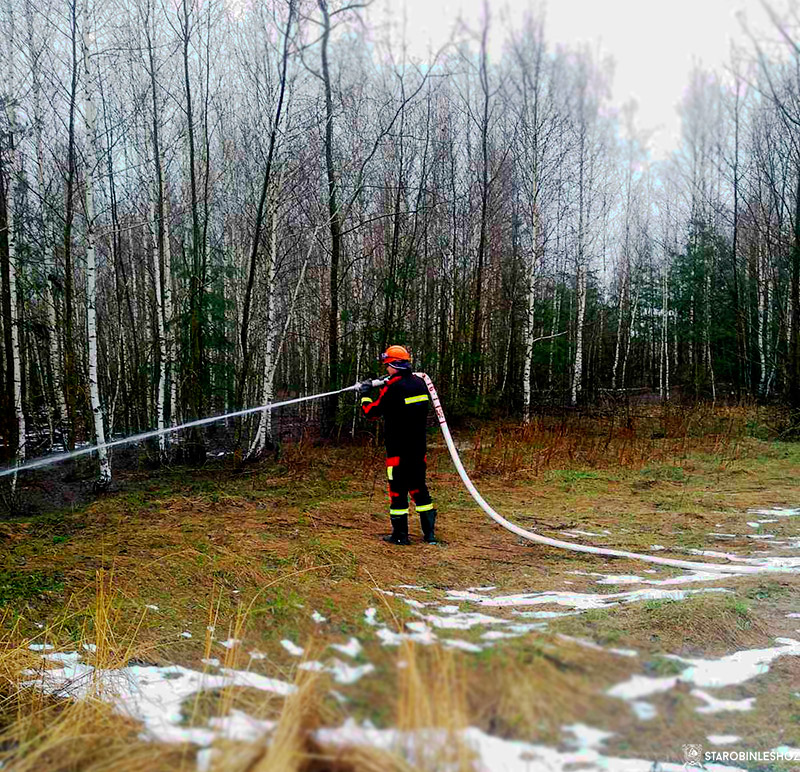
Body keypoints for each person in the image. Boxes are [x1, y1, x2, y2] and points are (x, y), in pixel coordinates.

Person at [358, 345, 437, 545]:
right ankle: (430, 535)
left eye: (387, 365)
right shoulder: (420, 383)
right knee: (419, 488)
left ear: (393, 365)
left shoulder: (393, 387)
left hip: (398, 450)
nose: (386, 369)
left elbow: (371, 412)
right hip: (418, 449)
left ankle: (400, 536)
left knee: (398, 491)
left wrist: (365, 394)